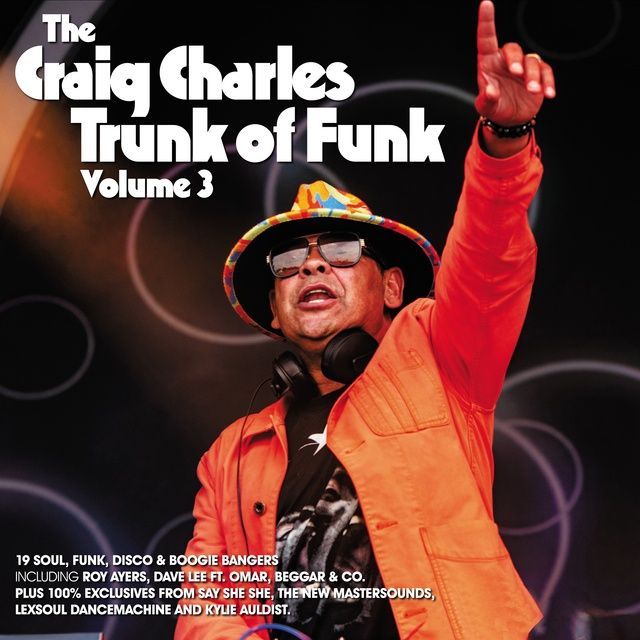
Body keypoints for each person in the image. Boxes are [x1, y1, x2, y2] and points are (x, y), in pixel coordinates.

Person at [174, 1, 556, 638]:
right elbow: (206, 606)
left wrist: (504, 142)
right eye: (290, 261)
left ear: (393, 287)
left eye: (342, 250)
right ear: (274, 309)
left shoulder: (441, 352)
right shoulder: (230, 454)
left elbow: (491, 259)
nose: (312, 266)